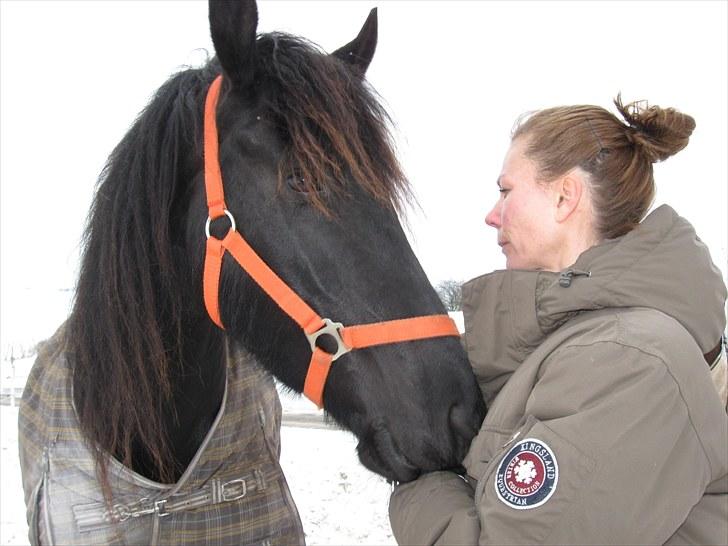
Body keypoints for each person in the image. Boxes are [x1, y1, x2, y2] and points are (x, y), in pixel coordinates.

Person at [389, 96, 728, 545]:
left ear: (565, 197)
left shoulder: (631, 360)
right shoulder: (592, 343)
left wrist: (419, 476)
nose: (492, 215)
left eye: (506, 191)